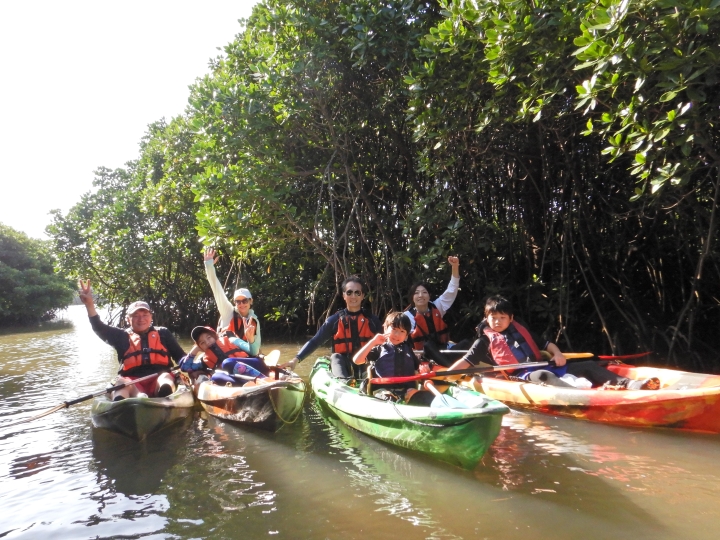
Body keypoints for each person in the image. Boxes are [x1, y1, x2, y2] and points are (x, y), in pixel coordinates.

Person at [446, 295, 660, 390]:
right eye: (493, 317)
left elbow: (548, 344)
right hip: (522, 376)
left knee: (587, 365)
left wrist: (557, 355)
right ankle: (583, 395)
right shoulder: (484, 340)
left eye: (502, 317)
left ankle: (631, 385)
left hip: (545, 365)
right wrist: (447, 375)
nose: (497, 321)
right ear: (487, 318)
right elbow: (466, 362)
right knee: (543, 376)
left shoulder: (521, 331)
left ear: (511, 318)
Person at [78, 279, 186, 400]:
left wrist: (192, 363)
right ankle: (122, 405)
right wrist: (89, 305)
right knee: (120, 383)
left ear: (151, 317)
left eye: (145, 315)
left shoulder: (163, 333)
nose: (141, 319)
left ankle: (163, 399)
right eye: (136, 316)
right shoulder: (121, 336)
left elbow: (180, 356)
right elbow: (98, 327)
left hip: (160, 378)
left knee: (165, 378)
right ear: (128, 319)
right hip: (132, 383)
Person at [279, 275, 382, 380]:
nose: (353, 296)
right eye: (349, 292)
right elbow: (315, 341)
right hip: (343, 363)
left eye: (357, 292)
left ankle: (369, 381)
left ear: (362, 295)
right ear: (344, 295)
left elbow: (386, 345)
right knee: (336, 357)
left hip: (365, 362)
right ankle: (343, 382)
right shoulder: (334, 320)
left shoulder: (373, 321)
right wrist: (295, 360)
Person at [403, 256, 467, 367]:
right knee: (428, 345)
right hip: (424, 357)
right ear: (412, 297)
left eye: (424, 292)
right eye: (417, 293)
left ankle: (450, 366)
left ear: (429, 296)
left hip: (444, 353)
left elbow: (452, 290)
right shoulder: (406, 317)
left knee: (467, 343)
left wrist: (455, 267)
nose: (421, 295)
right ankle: (449, 369)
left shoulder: (437, 306)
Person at [203, 248, 261, 357]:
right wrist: (209, 265)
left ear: (251, 301)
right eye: (238, 301)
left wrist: (251, 339)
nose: (241, 304)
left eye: (245, 300)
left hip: (243, 356)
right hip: (224, 355)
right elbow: (217, 289)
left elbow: (254, 351)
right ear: (234, 303)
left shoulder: (254, 320)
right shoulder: (227, 311)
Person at [353, 311, 421, 401]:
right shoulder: (379, 349)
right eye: (394, 329)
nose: (397, 334)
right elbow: (357, 360)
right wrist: (373, 342)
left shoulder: (408, 350)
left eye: (402, 331)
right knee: (388, 397)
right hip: (383, 390)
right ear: (385, 328)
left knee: (418, 395)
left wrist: (424, 367)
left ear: (406, 336)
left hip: (405, 391)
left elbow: (418, 368)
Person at [179, 326, 266, 386]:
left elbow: (254, 352)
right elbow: (185, 368)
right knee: (215, 377)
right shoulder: (204, 360)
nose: (207, 342)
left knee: (227, 363)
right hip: (239, 378)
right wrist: (195, 349)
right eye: (202, 343)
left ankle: (264, 380)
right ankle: (245, 388)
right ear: (200, 347)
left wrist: (251, 339)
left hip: (255, 366)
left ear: (214, 336)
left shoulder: (231, 340)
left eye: (209, 338)